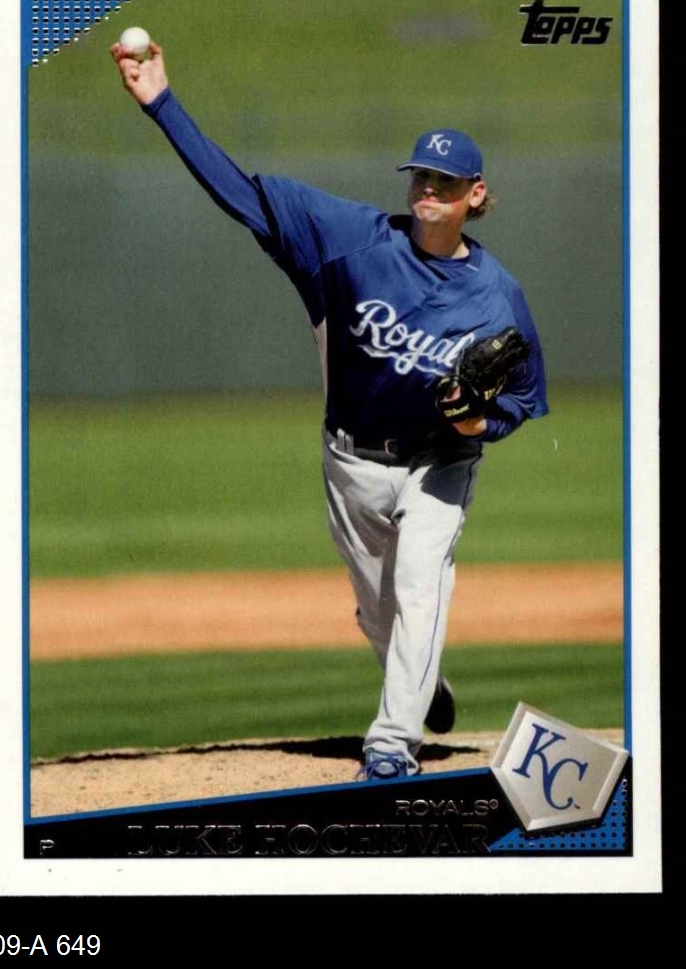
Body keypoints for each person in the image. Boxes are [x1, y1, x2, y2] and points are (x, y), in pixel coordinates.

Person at [110, 39, 548, 781]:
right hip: (350, 459)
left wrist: (480, 423)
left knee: (420, 588)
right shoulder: (347, 240)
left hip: (440, 461)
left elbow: (524, 398)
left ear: (475, 194)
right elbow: (240, 193)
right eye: (421, 175)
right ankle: (421, 680)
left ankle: (391, 744)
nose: (429, 188)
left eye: (446, 180)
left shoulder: (497, 295)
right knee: (379, 613)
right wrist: (161, 104)